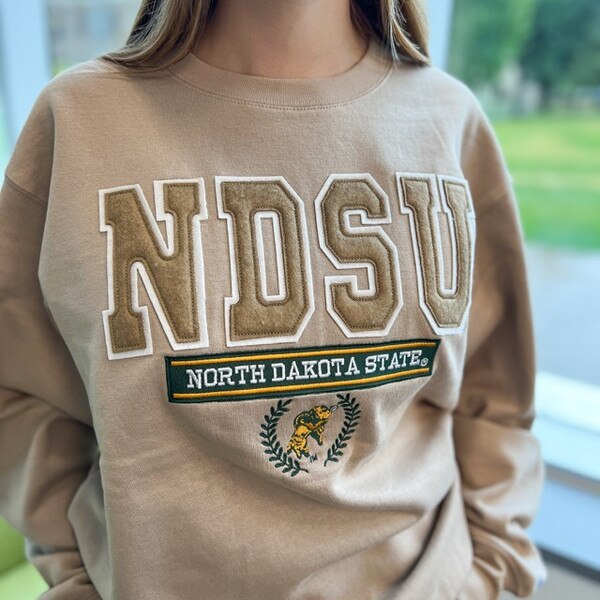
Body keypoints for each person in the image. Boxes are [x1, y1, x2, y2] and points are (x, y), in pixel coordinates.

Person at [0, 1, 548, 598]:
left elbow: (496, 397)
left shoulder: (449, 120)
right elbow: (19, 391)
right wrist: (81, 573)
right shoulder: (81, 122)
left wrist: (484, 570)